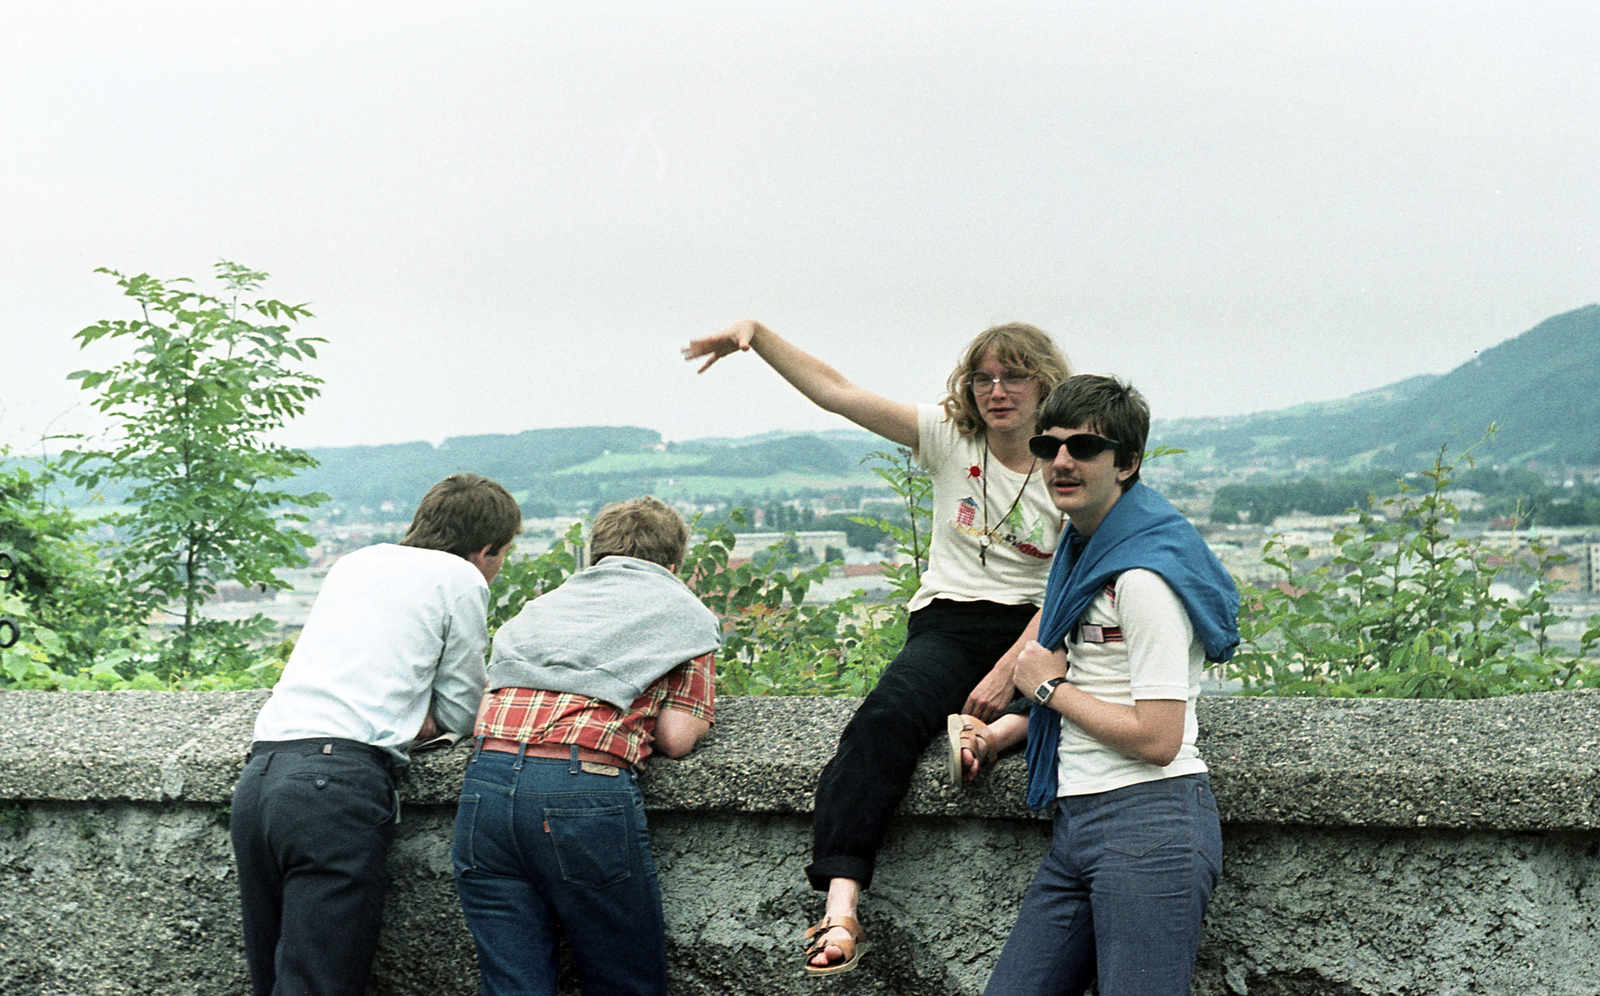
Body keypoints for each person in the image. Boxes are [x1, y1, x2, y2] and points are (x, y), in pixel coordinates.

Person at [682, 319, 1071, 975]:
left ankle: (995, 734)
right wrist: (759, 336)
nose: (997, 390)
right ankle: (841, 904)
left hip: (1037, 624)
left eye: (1014, 376)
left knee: (1076, 698)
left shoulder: (1068, 457)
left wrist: (1013, 665)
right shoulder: (951, 436)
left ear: (1044, 381)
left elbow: (1075, 581)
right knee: (884, 721)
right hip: (950, 622)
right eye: (984, 377)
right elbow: (837, 393)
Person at [948, 375, 1240, 996]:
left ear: (1127, 463)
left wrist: (1047, 689)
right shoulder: (1081, 555)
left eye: (1084, 448)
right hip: (1079, 822)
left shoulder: (1141, 577)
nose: (1061, 462)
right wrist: (1004, 733)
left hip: (1150, 821)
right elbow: (1095, 692)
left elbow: (1159, 737)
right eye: (1047, 446)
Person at [230, 472, 522, 996]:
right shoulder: (459, 578)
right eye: (503, 555)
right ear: (485, 550)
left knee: (273, 981)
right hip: (336, 788)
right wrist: (419, 715)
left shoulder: (355, 562)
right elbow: (463, 710)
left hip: (262, 778)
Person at [451, 495, 723, 996]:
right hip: (580, 790)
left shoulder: (542, 606)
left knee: (513, 985)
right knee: (623, 980)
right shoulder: (686, 614)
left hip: (485, 785)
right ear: (674, 561)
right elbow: (677, 738)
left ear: (595, 553)